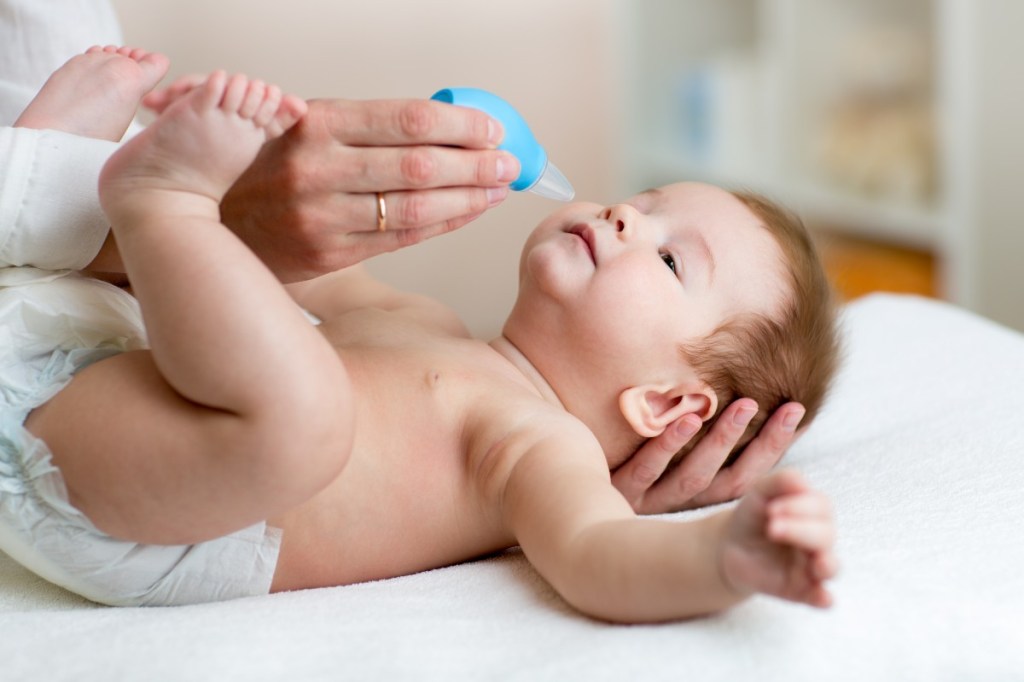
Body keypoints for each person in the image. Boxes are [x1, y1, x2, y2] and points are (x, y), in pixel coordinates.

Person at [1, 48, 840, 620]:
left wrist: (721, 559)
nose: (626, 215)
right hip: (68, 379)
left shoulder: (541, 445)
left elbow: (598, 554)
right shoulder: (425, 324)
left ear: (667, 404)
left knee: (309, 419)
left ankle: (160, 199)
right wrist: (263, 160)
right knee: (258, 302)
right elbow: (293, 261)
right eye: (646, 200)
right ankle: (62, 159)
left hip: (146, 514)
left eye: (667, 260)